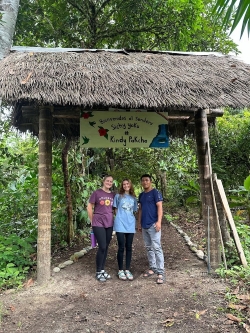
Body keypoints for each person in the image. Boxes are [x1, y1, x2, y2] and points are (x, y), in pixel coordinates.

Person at [87, 175, 115, 282]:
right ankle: (98, 271)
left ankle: (102, 270)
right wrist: (92, 220)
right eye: (107, 181)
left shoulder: (113, 194)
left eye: (111, 181)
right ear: (103, 181)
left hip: (109, 222)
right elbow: (89, 206)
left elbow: (114, 208)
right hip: (98, 222)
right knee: (102, 246)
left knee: (106, 246)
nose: (109, 182)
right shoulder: (97, 193)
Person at [138, 174, 165, 284]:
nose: (145, 182)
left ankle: (160, 272)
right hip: (144, 225)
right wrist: (139, 223)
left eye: (147, 180)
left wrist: (159, 222)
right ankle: (152, 268)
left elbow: (159, 207)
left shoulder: (155, 193)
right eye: (143, 180)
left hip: (153, 224)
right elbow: (140, 210)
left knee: (157, 247)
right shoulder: (141, 195)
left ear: (151, 181)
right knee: (149, 247)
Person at [113, 179, 138, 281]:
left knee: (129, 247)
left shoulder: (133, 198)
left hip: (130, 225)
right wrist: (120, 218)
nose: (126, 185)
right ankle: (120, 270)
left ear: (130, 185)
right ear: (122, 186)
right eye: (124, 184)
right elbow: (115, 209)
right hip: (120, 224)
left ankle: (127, 269)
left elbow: (134, 211)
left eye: (127, 184)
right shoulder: (118, 196)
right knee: (121, 247)